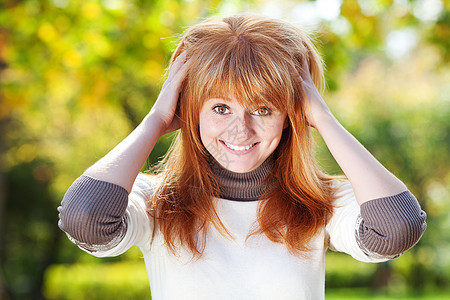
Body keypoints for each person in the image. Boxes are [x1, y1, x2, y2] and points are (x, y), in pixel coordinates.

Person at [58, 14, 426, 299]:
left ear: (290, 116)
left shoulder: (321, 203)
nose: (241, 130)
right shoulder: (156, 201)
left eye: (263, 110)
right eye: (220, 108)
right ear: (189, 108)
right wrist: (155, 121)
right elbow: (84, 219)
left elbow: (397, 229)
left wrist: (322, 118)